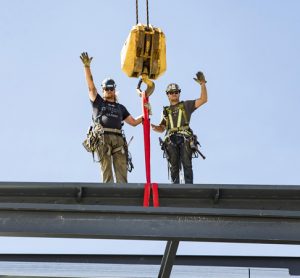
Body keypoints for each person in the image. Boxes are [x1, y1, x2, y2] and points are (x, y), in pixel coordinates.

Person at [80, 52, 153, 183]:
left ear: (114, 90)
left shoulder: (120, 108)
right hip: (103, 139)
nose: (109, 91)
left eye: (111, 88)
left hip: (118, 139)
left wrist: (146, 114)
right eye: (106, 89)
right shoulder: (98, 103)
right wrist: (87, 67)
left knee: (121, 172)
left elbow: (134, 122)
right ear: (103, 90)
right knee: (106, 171)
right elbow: (91, 87)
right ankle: (109, 195)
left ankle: (123, 195)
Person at [151, 72, 208, 184]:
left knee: (187, 164)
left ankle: (188, 187)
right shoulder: (165, 111)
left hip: (185, 138)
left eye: (176, 92)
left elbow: (203, 99)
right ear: (167, 94)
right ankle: (175, 188)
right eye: (171, 92)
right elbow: (162, 128)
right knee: (174, 166)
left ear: (179, 93)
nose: (174, 94)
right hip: (171, 140)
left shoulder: (186, 105)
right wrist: (151, 125)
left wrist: (202, 84)